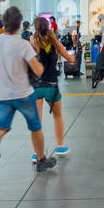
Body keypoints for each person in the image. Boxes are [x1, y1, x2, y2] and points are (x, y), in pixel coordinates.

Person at [0, 6, 57, 171]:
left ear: (4, 23)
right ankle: (41, 160)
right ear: (20, 24)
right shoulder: (23, 44)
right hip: (24, 95)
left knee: (1, 129)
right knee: (35, 127)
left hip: (3, 96)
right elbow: (38, 70)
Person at [29, 17, 75, 158]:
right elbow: (71, 60)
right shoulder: (55, 43)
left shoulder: (33, 43)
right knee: (58, 116)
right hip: (51, 86)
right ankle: (60, 146)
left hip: (35, 86)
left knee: (37, 121)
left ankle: (36, 153)